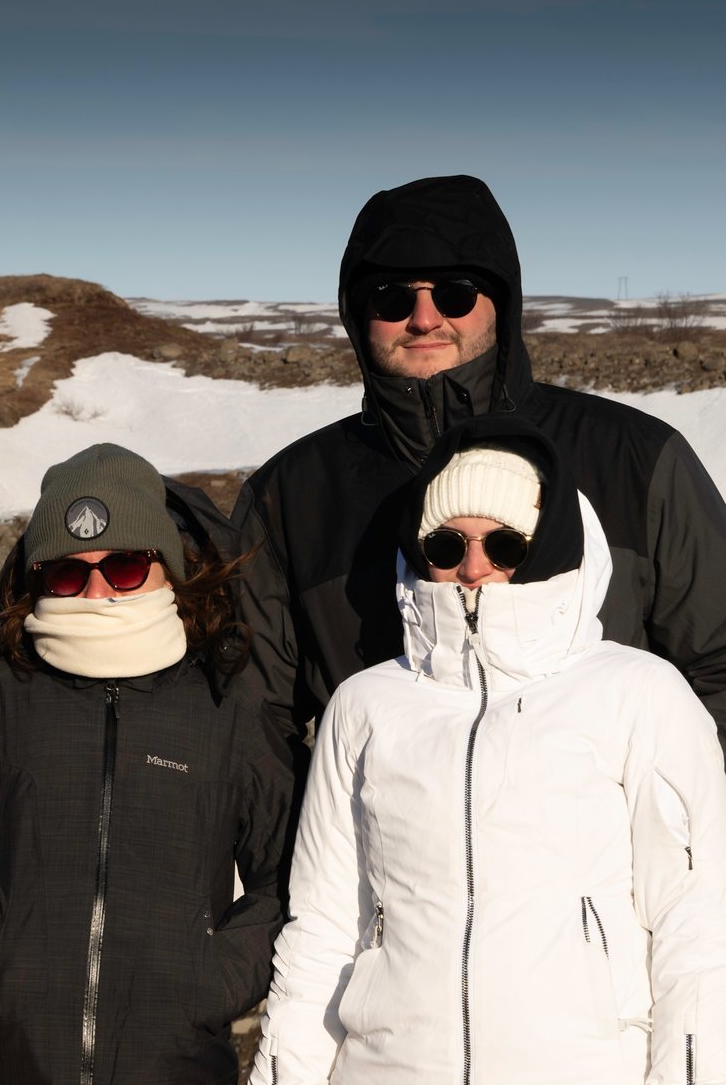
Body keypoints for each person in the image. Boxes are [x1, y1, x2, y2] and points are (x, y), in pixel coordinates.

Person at [245, 418, 726, 1085]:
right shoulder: (366, 705)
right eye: (448, 545)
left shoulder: (637, 693)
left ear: (552, 545)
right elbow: (324, 927)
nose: (474, 567)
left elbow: (697, 928)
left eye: (506, 545)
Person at [231, 174, 726, 793]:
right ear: (359, 317)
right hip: (392, 879)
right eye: (390, 297)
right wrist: (295, 882)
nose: (424, 317)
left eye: (456, 292)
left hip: (606, 877)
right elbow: (253, 721)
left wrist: (682, 854)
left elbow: (716, 667)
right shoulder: (291, 496)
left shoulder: (635, 459)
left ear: (502, 303)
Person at [0, 443, 288, 1085]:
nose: (95, 590)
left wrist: (213, 976)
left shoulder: (228, 704)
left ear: (166, 565)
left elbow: (287, 871)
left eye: (122, 566)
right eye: (68, 570)